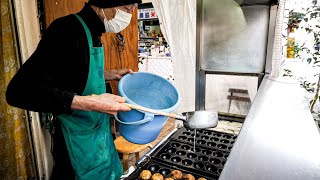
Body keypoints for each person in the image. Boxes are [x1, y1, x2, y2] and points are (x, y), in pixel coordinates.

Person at [6, 0, 142, 179]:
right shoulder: (66, 30)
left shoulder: (95, 31)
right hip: (74, 142)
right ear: (105, 3)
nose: (128, 16)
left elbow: (69, 74)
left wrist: (108, 74)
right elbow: (20, 91)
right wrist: (91, 103)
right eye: (126, 9)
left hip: (98, 135)